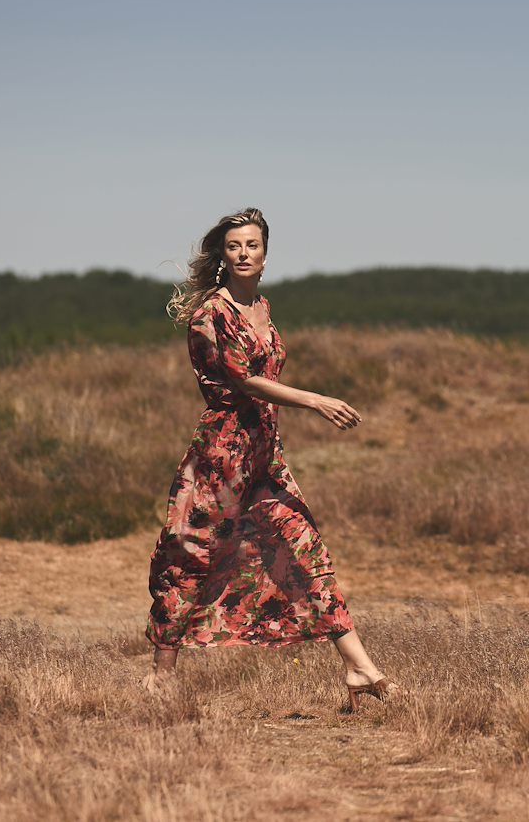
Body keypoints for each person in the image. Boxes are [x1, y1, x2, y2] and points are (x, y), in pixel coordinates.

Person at [143, 208, 396, 711]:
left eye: (252, 245)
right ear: (223, 254)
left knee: (305, 547)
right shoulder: (211, 313)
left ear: (265, 253)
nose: (243, 253)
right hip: (222, 456)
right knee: (191, 556)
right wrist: (316, 400)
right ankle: (161, 675)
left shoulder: (261, 305)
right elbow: (242, 379)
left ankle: (358, 666)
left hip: (263, 453)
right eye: (234, 245)